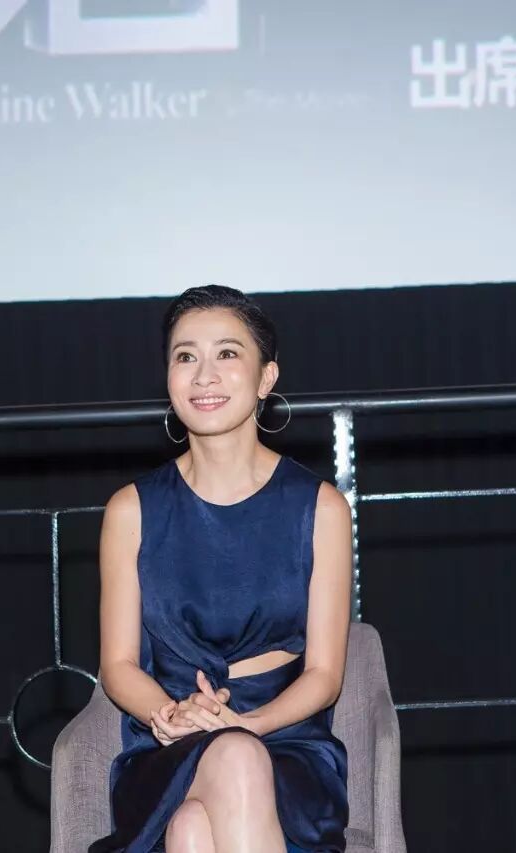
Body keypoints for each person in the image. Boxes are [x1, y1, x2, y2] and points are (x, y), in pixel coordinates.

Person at [91, 285, 352, 853]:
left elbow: (324, 674)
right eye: (186, 356)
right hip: (169, 742)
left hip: (287, 742)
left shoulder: (321, 508)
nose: (203, 375)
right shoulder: (131, 509)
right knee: (222, 772)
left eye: (227, 353)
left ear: (266, 378)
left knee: (194, 828)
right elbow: (118, 665)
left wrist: (245, 727)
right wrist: (171, 714)